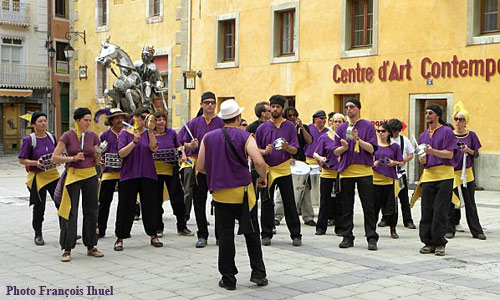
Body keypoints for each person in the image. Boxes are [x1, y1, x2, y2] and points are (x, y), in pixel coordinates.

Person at [197, 99, 268, 290]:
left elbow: (200, 167)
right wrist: (263, 177)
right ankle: (258, 274)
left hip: (220, 196)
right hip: (244, 195)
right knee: (252, 234)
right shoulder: (245, 136)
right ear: (238, 117)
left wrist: (217, 173)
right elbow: (259, 162)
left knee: (226, 238)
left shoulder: (208, 138)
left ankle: (228, 279)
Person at [52, 107, 104, 262]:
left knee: (92, 210)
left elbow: (96, 159)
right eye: (85, 120)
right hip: (74, 175)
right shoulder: (67, 136)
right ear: (78, 120)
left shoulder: (93, 136)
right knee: (70, 211)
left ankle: (91, 245)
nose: (88, 123)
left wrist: (99, 152)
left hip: (90, 175)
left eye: (90, 120)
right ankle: (67, 248)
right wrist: (72, 159)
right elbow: (55, 157)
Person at [179, 91, 225, 248]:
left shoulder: (221, 123)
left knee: (219, 202)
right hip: (199, 168)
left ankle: (220, 235)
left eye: (212, 102)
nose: (210, 105)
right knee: (199, 202)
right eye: (207, 103)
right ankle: (202, 235)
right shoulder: (193, 123)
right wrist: (189, 146)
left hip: (217, 168)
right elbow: (179, 142)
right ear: (201, 104)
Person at [255, 95, 302, 247]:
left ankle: (296, 234)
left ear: (282, 108)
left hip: (283, 168)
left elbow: (295, 149)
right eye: (272, 106)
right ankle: (266, 234)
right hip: (268, 169)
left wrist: (287, 147)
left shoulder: (289, 126)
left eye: (278, 107)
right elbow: (255, 150)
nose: (275, 109)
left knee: (289, 202)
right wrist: (264, 151)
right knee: (267, 203)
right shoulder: (262, 127)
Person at [333, 99, 379, 250]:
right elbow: (335, 151)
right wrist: (343, 148)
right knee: (346, 206)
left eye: (351, 107)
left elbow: (372, 149)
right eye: (346, 107)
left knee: (368, 206)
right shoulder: (341, 128)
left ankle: (371, 237)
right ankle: (347, 236)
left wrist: (358, 139)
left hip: (364, 171)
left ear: (358, 109)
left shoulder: (368, 126)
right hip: (346, 171)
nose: (348, 109)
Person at [114, 107, 162, 251]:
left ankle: (153, 234)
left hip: (148, 173)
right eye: (143, 118)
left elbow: (153, 148)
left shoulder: (149, 133)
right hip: (129, 174)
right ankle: (120, 237)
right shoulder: (125, 133)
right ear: (135, 118)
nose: (145, 121)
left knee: (150, 205)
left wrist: (151, 131)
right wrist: (134, 141)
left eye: (148, 118)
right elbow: (121, 154)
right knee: (125, 206)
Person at [411, 104, 456, 256]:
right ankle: (428, 242)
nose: (427, 115)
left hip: (445, 176)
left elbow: (449, 154)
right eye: (426, 112)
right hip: (428, 175)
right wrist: (422, 159)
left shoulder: (447, 131)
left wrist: (432, 151)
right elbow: (423, 158)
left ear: (437, 115)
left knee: (440, 210)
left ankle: (439, 243)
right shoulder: (423, 135)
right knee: (427, 210)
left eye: (430, 113)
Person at [18, 112, 60, 246]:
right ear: (33, 125)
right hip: (38, 178)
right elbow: (21, 160)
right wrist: (35, 163)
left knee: (61, 203)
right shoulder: (29, 140)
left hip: (53, 175)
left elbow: (58, 153)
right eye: (40, 121)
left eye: (45, 121)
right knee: (39, 207)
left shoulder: (52, 137)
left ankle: (66, 231)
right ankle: (38, 234)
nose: (43, 123)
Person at [445, 102, 486, 240]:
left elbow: (477, 154)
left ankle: (476, 230)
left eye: (461, 119)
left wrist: (468, 151)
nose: (458, 122)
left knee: (470, 202)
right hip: (452, 171)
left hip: (466, 172)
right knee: (452, 201)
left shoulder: (472, 135)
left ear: (466, 121)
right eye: (456, 119)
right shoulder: (449, 134)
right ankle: (450, 229)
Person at [153, 111, 193, 237]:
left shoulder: (171, 133)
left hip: (171, 170)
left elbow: (179, 146)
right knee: (156, 200)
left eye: (163, 119)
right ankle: (158, 227)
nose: (161, 121)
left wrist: (183, 155)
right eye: (158, 119)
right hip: (154, 172)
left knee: (177, 199)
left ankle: (182, 226)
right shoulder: (149, 134)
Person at [274, 107, 313, 226]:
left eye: (294, 115)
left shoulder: (302, 128)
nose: (293, 118)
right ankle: (277, 216)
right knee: (283, 190)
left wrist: (301, 127)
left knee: (305, 188)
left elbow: (310, 141)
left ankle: (308, 217)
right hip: (286, 161)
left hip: (300, 161)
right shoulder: (282, 129)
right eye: (290, 116)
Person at [378, 118, 416, 229]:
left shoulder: (404, 140)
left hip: (400, 174)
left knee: (404, 198)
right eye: (393, 131)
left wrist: (402, 161)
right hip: (387, 174)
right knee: (387, 199)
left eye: (397, 131)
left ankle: (408, 220)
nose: (395, 134)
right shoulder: (384, 141)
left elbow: (411, 154)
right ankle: (385, 218)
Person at [96, 108, 128, 238]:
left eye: (121, 117)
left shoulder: (128, 134)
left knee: (124, 203)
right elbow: (99, 151)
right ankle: (101, 229)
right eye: (117, 118)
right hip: (109, 172)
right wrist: (100, 159)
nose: (120, 120)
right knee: (104, 202)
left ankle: (122, 230)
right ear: (111, 121)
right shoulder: (105, 135)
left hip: (125, 172)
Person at [313, 113, 345, 235]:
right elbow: (316, 153)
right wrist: (321, 158)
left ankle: (340, 228)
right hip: (327, 173)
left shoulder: (345, 138)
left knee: (340, 202)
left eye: (339, 122)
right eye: (334, 122)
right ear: (331, 123)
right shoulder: (324, 137)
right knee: (325, 201)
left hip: (341, 174)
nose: (337, 124)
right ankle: (321, 227)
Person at [372, 122, 404, 239]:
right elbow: (366, 160)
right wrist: (373, 163)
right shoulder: (373, 145)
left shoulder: (394, 146)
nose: (380, 133)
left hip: (389, 180)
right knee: (373, 207)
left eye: (383, 131)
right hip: (375, 180)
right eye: (378, 131)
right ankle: (371, 229)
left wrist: (394, 163)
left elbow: (401, 161)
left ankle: (393, 229)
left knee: (392, 207)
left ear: (389, 133)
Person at [247, 101, 272, 221]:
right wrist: (263, 152)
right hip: (256, 166)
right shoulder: (252, 127)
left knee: (267, 198)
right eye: (269, 110)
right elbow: (247, 147)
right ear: (263, 113)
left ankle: (269, 224)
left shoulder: (273, 125)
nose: (272, 111)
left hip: (271, 166)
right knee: (254, 196)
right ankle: (252, 221)